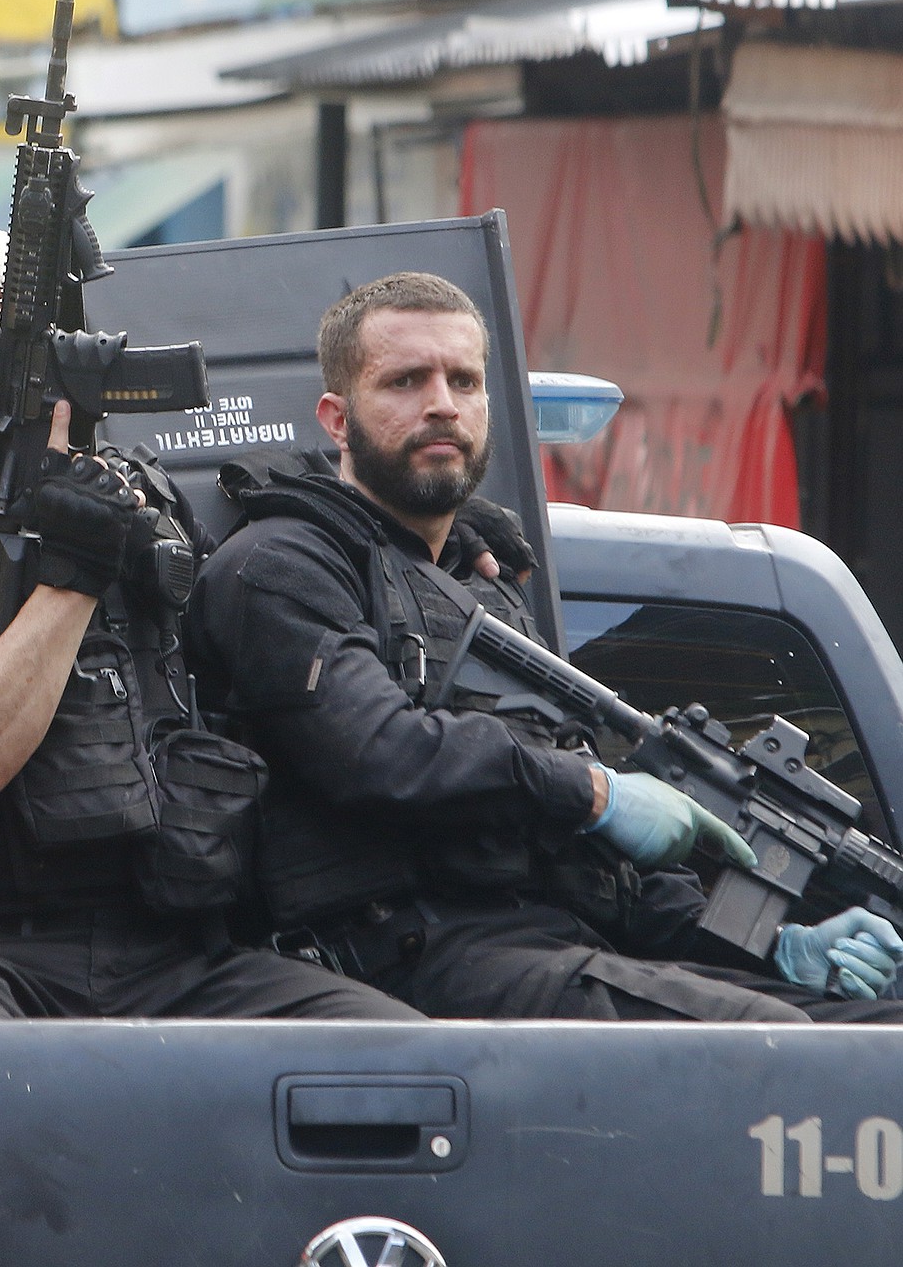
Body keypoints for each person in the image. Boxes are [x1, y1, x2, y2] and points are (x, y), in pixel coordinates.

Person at [187, 270, 903, 1023]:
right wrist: (595, 792)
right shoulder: (279, 566)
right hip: (407, 964)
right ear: (337, 419)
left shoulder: (484, 588)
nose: (441, 403)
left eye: (464, 380)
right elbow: (377, 749)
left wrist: (779, 946)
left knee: (873, 1033)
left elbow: (591, 862)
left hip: (561, 946)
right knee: (777, 1042)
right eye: (405, 381)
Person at [0, 223, 424, 1022]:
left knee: (394, 1054)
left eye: (4, 302)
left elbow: (275, 615)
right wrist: (77, 566)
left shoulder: (144, 495)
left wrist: (418, 544)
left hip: (182, 948)